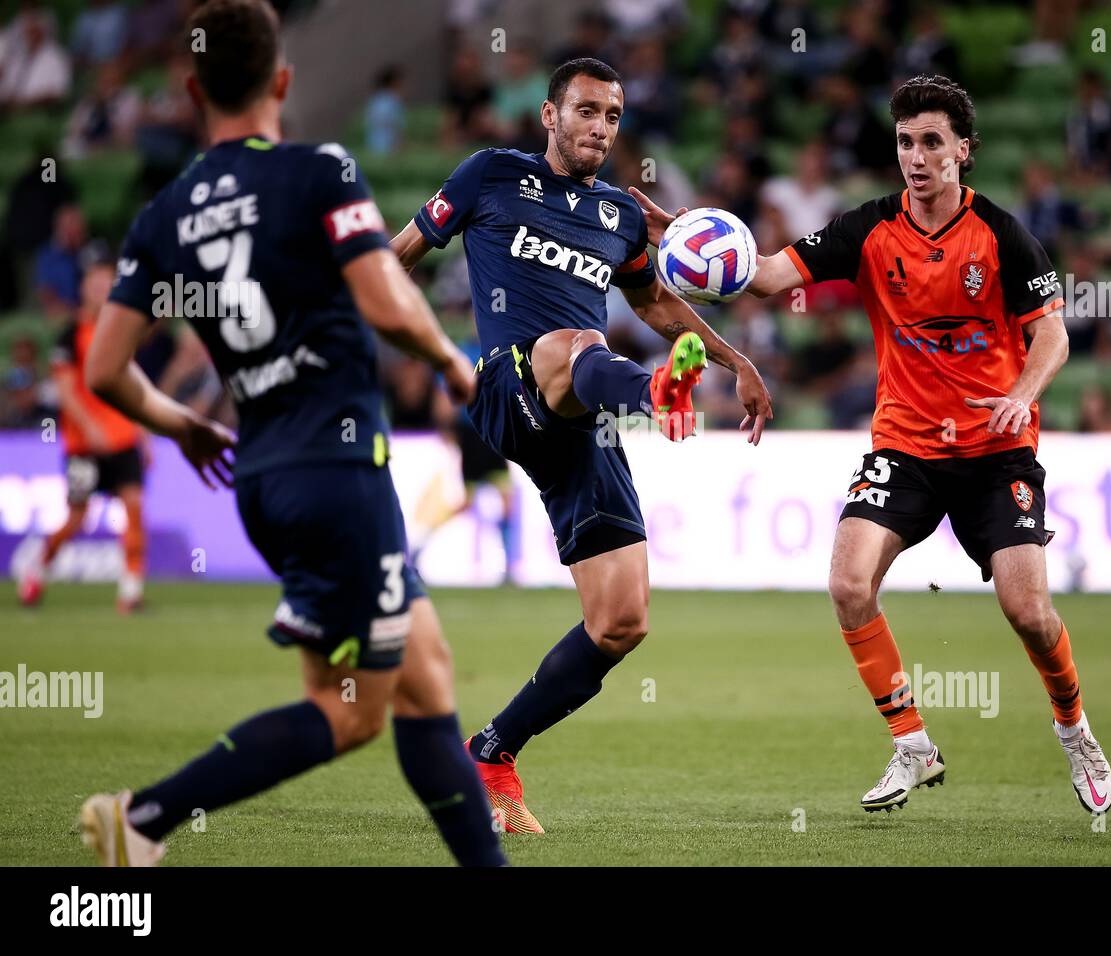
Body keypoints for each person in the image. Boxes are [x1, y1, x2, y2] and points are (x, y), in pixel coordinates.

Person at [77, 0, 504, 867]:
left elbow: (107, 369)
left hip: (264, 477)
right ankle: (146, 818)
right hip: (338, 472)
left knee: (425, 675)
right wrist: (455, 366)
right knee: (350, 713)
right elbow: (384, 298)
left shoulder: (166, 212)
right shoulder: (319, 171)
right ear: (282, 79)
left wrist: (184, 423)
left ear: (194, 89)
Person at [636, 74, 1111, 817]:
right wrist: (696, 237)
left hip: (996, 448)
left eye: (932, 143)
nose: (917, 157)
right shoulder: (865, 229)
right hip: (907, 446)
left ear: (964, 150)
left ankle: (1074, 727)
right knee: (849, 584)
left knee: (1028, 611)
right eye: (905, 143)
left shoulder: (1005, 237)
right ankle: (913, 746)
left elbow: (1051, 333)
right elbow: (763, 278)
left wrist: (1022, 393)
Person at [390, 56, 774, 833]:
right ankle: (656, 394)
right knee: (575, 338)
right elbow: (398, 255)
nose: (600, 127)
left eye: (613, 117)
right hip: (510, 382)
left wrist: (739, 363)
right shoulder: (490, 174)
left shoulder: (622, 216)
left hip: (583, 412)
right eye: (587, 111)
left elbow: (660, 305)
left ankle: (493, 750)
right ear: (549, 115)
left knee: (622, 619)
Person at [18, 261, 148, 613]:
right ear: (84, 289)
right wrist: (91, 427)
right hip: (84, 446)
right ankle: (36, 570)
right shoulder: (69, 335)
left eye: (109, 283)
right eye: (96, 284)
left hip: (122, 438)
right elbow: (65, 390)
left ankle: (131, 593)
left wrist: (143, 432)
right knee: (78, 516)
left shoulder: (122, 330)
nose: (103, 290)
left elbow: (134, 385)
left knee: (134, 506)